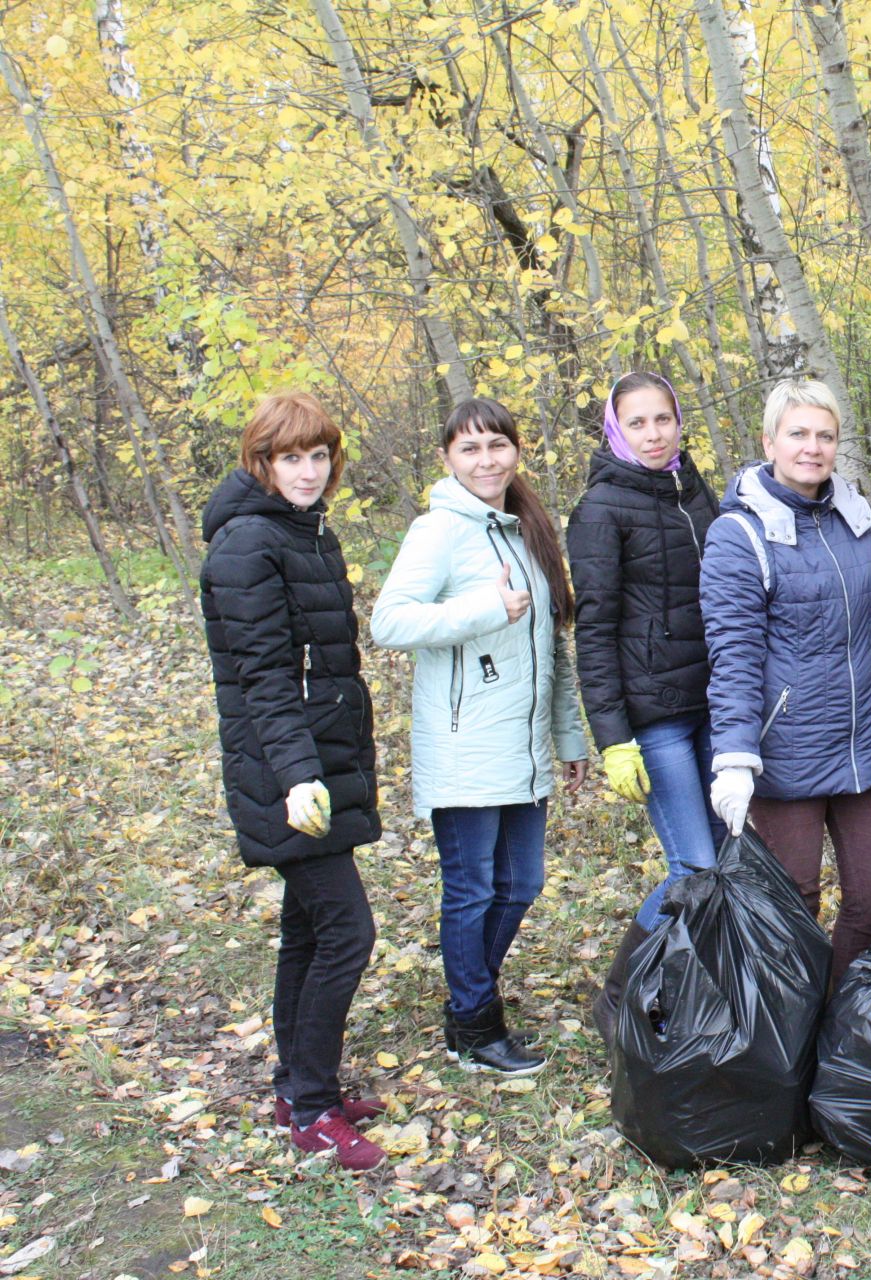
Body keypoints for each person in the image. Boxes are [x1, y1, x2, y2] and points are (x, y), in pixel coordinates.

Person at [371, 397, 588, 1077]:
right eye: (470, 448)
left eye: (497, 445)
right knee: (471, 889)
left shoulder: (525, 529)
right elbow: (390, 622)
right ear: (447, 459)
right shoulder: (438, 531)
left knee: (520, 884)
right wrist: (483, 607)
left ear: (515, 451)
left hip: (521, 749)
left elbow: (550, 645)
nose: (487, 460)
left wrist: (569, 736)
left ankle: (471, 1001)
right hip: (465, 744)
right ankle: (474, 1024)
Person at [200, 391, 385, 1169]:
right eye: (291, 458)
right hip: (287, 771)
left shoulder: (305, 532)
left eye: (318, 457)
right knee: (348, 931)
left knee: (307, 932)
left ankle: (296, 1087)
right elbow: (265, 678)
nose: (308, 472)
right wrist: (300, 776)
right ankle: (311, 1108)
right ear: (261, 462)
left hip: (320, 761)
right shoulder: (249, 544)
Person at [700, 378, 871, 980]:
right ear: (769, 441)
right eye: (798, 433)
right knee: (794, 903)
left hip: (861, 744)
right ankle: (790, 1041)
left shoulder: (854, 518)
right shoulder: (739, 534)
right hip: (788, 749)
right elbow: (734, 653)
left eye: (825, 435)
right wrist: (733, 754)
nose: (812, 447)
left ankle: (834, 1015)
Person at [567, 372, 725, 1042]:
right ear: (615, 429)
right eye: (639, 423)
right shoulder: (600, 508)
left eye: (664, 419)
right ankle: (621, 992)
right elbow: (595, 629)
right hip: (654, 716)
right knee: (694, 867)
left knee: (727, 860)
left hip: (715, 707)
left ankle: (702, 994)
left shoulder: (695, 491)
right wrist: (612, 737)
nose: (655, 434)